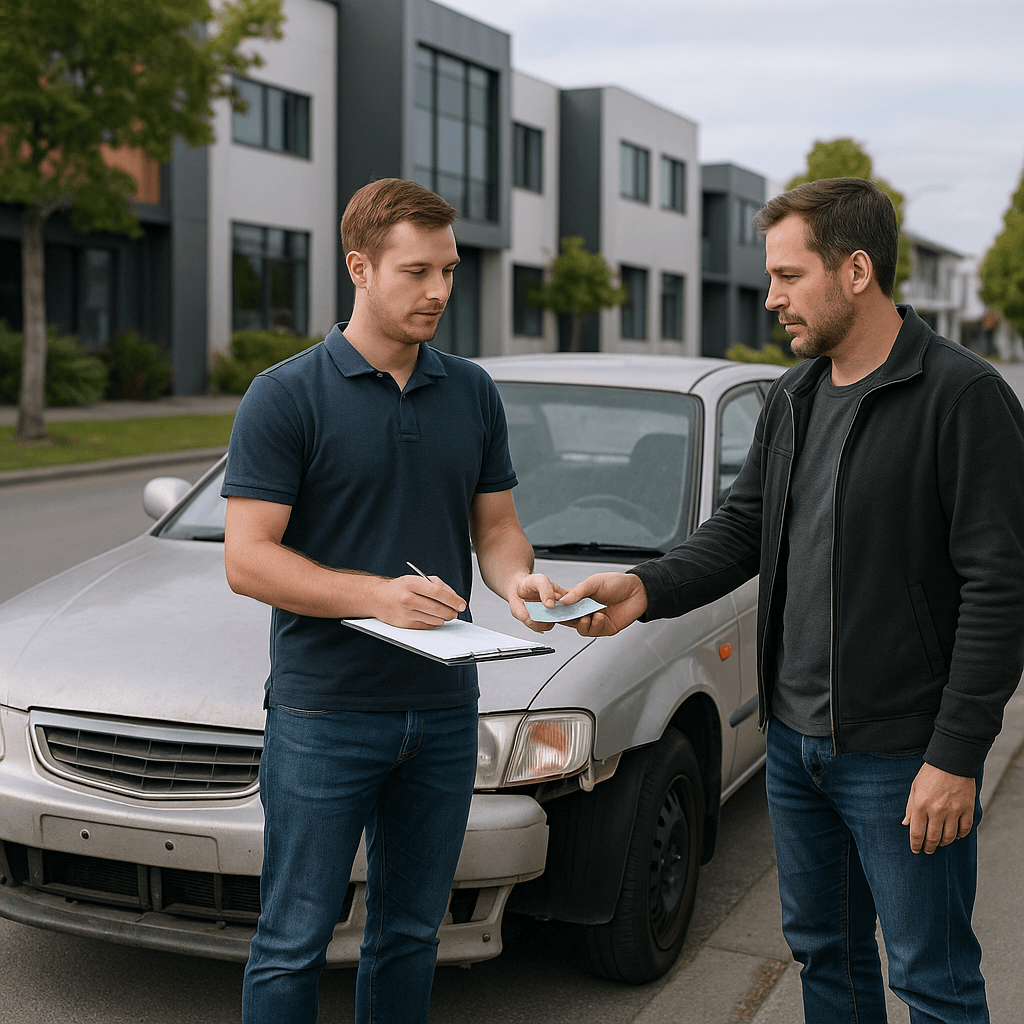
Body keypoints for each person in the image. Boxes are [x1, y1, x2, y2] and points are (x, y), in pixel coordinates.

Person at [558, 177, 1024, 1023]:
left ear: (856, 270)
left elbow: (1001, 587)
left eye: (787, 275)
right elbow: (743, 529)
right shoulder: (793, 396)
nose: (771, 297)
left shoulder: (962, 397)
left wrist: (957, 755)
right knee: (824, 957)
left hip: (901, 755)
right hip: (795, 748)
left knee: (933, 979)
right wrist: (644, 587)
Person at [222, 177, 559, 1024]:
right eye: (417, 272)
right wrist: (376, 597)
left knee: (411, 934)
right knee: (293, 939)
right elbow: (248, 560)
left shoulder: (472, 391)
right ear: (360, 267)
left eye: (448, 270)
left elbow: (497, 529)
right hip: (326, 712)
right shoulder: (286, 395)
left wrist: (518, 580)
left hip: (444, 713)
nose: (439, 290)